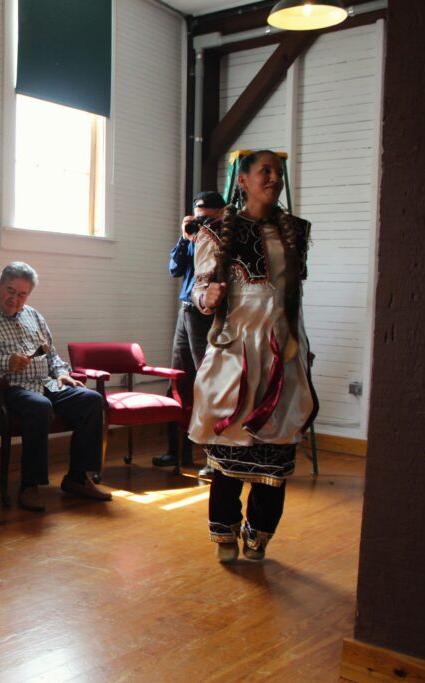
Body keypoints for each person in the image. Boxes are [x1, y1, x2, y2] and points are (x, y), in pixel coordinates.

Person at [188, 151, 317, 563]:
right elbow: (199, 289)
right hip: (238, 350)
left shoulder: (296, 230)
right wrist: (207, 297)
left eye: (278, 172)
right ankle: (224, 532)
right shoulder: (214, 230)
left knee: (277, 451)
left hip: (284, 347)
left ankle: (260, 533)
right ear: (242, 180)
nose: (274, 178)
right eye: (265, 171)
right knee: (229, 448)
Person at [0, 262, 112, 512]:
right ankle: (30, 485)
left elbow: (51, 355)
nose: (14, 299)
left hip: (44, 383)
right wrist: (4, 361)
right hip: (3, 390)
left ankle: (78, 477)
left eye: (22, 294)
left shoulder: (34, 315)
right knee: (40, 406)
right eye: (10, 291)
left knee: (91, 400)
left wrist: (62, 374)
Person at [153, 191, 225, 476]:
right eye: (198, 216)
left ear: (221, 214)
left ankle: (215, 458)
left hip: (207, 314)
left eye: (207, 216)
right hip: (185, 311)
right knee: (178, 380)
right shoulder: (194, 235)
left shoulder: (224, 238)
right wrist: (185, 238)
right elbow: (175, 269)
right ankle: (176, 451)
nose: (202, 221)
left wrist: (208, 234)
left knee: (208, 382)